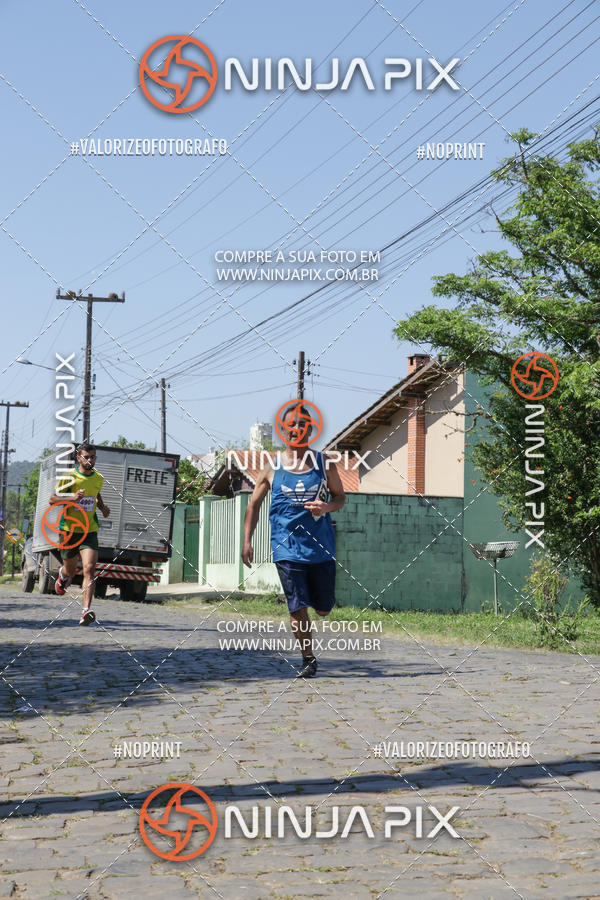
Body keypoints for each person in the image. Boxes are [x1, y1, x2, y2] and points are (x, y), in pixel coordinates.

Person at [242, 404, 345, 677]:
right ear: (283, 430)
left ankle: (319, 605)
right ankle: (308, 658)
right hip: (286, 547)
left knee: (322, 609)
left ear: (310, 430)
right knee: (297, 605)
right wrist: (247, 541)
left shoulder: (325, 464)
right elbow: (253, 506)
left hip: (320, 548)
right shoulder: (271, 468)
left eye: (303, 424)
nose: (297, 429)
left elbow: (340, 497)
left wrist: (325, 508)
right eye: (292, 425)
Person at [48, 442, 110, 625]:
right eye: (86, 457)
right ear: (79, 457)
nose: (90, 460)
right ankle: (64, 575)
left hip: (89, 530)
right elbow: (52, 499)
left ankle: (86, 611)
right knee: (70, 568)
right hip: (68, 529)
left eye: (92, 457)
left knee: (89, 569)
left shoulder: (98, 478)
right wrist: (72, 497)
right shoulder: (70, 477)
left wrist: (103, 507)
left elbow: (96, 495)